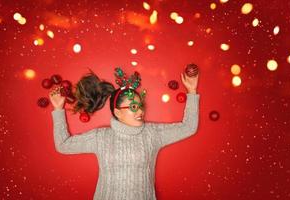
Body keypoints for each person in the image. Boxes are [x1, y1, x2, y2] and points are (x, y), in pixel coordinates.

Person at [49, 67, 200, 200]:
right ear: (117, 112)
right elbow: (63, 145)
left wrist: (192, 91)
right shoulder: (101, 137)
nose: (140, 110)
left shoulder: (152, 134)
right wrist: (58, 109)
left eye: (141, 105)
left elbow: (188, 127)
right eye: (134, 106)